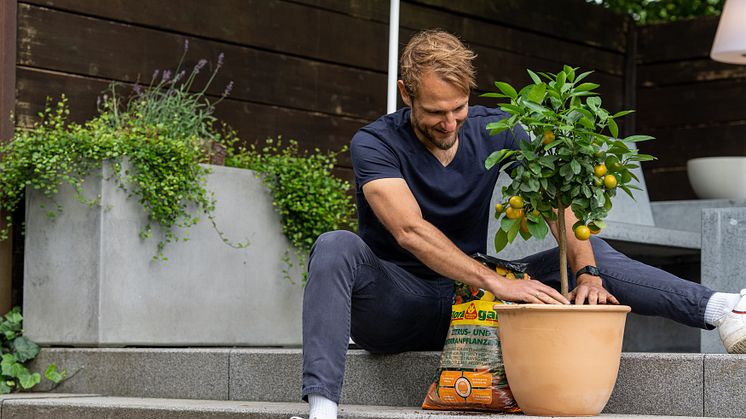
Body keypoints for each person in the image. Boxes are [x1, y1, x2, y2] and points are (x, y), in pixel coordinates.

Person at [298, 29, 746, 419]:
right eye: (436, 111)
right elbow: (409, 230)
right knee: (335, 244)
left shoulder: (497, 127)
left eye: (459, 108)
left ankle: (722, 309)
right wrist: (497, 281)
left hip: (473, 305)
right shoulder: (374, 142)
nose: (450, 122)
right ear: (405, 93)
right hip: (399, 304)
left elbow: (557, 195)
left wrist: (587, 270)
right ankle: (323, 407)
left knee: (594, 256)